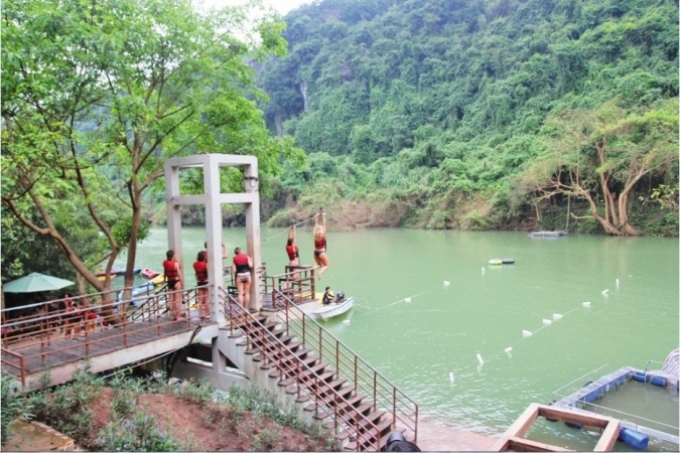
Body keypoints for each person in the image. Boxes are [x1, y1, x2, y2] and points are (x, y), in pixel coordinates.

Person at [163, 250, 184, 321]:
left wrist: (164, 279)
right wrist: (182, 283)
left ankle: (172, 316)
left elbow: (165, 271)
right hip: (176, 281)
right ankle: (178, 316)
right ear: (173, 256)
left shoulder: (165, 263)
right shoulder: (175, 264)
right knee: (177, 300)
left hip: (169, 281)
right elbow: (179, 274)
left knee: (171, 299)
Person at [313, 210, 330, 279]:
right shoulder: (323, 235)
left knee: (319, 265)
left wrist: (316, 217)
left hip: (315, 252)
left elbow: (315, 225)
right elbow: (324, 224)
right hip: (321, 252)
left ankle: (311, 269)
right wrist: (324, 216)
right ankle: (320, 273)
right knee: (327, 265)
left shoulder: (314, 235)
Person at [193, 250, 210, 319]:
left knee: (200, 299)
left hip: (199, 282)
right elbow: (208, 273)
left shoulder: (195, 264)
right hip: (206, 282)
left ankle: (201, 314)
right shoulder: (206, 264)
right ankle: (207, 313)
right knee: (206, 298)